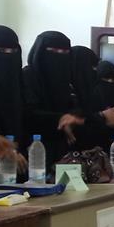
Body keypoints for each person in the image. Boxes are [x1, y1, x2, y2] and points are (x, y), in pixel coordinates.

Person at [22, 31, 80, 165]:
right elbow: (27, 112)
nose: (59, 56)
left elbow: (75, 106)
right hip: (33, 149)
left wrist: (73, 117)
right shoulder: (28, 76)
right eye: (54, 51)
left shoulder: (67, 79)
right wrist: (60, 118)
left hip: (64, 148)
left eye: (64, 52)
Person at [0, 25, 25, 182]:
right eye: (0, 51)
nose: (7, 56)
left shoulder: (19, 82)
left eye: (12, 51)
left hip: (13, 164)